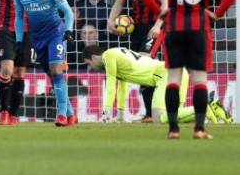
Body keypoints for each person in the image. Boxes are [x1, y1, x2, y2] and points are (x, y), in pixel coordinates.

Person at [138, 0, 238, 139]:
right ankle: (199, 129)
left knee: (173, 78)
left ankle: (173, 129)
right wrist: (217, 13)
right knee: (199, 79)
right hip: (198, 28)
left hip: (174, 27)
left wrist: (161, 10)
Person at [83, 46, 231, 125]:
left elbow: (110, 88)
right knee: (176, 118)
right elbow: (120, 87)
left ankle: (205, 106)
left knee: (158, 118)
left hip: (165, 75)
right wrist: (120, 116)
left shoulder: (108, 56)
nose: (91, 67)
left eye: (89, 63)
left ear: (94, 57)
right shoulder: (117, 54)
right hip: (177, 72)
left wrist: (105, 116)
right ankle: (213, 109)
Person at [107, 0, 167, 122]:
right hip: (136, 29)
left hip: (155, 26)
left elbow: (166, 3)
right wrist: (110, 21)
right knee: (138, 69)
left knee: (144, 64)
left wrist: (158, 26)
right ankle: (149, 113)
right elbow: (119, 1)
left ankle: (153, 111)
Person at [13, 0, 76, 126]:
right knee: (53, 76)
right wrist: (19, 41)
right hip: (37, 38)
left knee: (56, 71)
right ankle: (71, 114)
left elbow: (68, 12)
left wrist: (68, 31)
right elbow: (19, 17)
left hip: (56, 33)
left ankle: (62, 114)